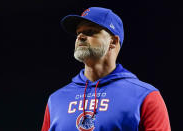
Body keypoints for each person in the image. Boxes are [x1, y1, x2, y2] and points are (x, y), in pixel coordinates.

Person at [41, 7, 171, 131]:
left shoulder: (145, 96)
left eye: (90, 32)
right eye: (78, 33)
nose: (80, 37)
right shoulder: (56, 100)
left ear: (113, 42)